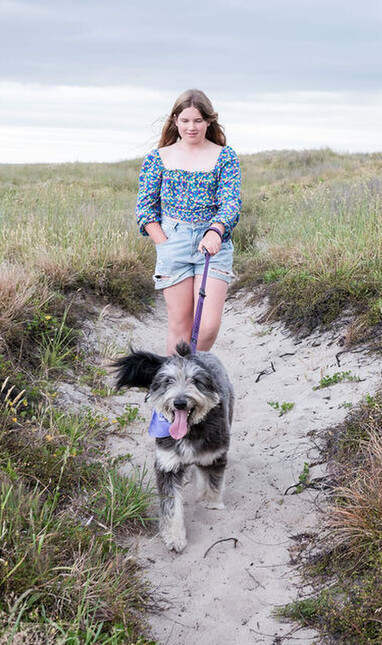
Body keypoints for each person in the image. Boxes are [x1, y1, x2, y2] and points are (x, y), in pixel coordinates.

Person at [136, 89, 241, 438]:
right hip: (173, 241)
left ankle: (194, 394)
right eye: (185, 120)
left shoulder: (224, 157)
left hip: (213, 242)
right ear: (175, 121)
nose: (191, 127)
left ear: (209, 121)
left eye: (198, 120)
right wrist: (164, 244)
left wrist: (217, 229)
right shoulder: (158, 158)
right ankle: (170, 409)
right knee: (180, 327)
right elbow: (145, 210)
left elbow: (230, 203)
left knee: (206, 327)